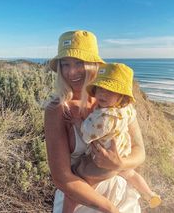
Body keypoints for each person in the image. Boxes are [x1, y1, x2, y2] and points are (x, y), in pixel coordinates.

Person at [44, 30, 146, 213]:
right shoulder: (57, 109)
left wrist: (120, 164)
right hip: (81, 200)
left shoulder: (119, 102)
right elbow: (61, 177)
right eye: (65, 64)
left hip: (121, 194)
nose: (71, 72)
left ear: (94, 65)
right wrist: (110, 209)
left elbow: (140, 151)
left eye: (79, 63)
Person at [63, 63, 161, 212]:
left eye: (110, 91)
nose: (103, 94)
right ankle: (149, 194)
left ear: (121, 96)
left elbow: (87, 134)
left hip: (102, 163)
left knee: (75, 190)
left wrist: (78, 123)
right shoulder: (125, 110)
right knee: (131, 174)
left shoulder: (104, 118)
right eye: (101, 89)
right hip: (122, 154)